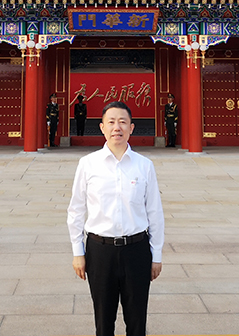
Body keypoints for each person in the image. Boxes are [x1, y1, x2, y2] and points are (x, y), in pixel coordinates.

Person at [67, 101, 165, 336]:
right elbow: (76, 210)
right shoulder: (88, 164)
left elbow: (155, 212)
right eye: (111, 122)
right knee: (103, 321)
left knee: (137, 321)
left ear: (131, 128)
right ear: (102, 127)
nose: (117, 127)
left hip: (137, 250)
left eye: (122, 122)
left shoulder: (144, 166)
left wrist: (157, 255)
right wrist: (78, 252)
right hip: (100, 252)